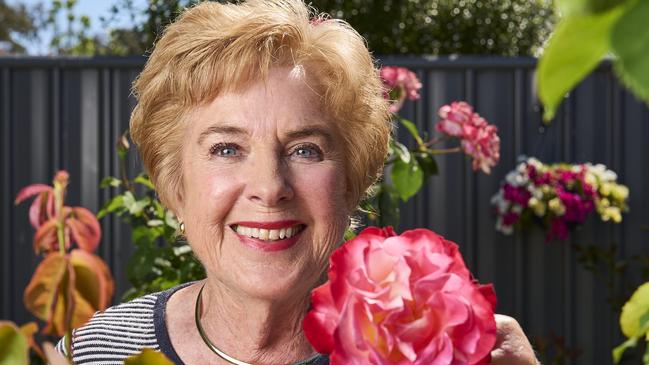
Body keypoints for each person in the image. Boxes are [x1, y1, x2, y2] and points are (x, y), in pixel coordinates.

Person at [56, 1, 539, 364]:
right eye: (227, 148)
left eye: (305, 149)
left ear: (351, 183)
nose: (269, 186)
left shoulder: (414, 353)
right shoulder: (98, 351)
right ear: (174, 187)